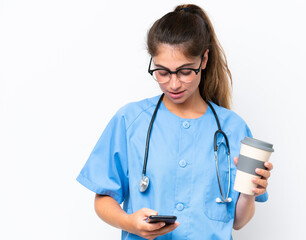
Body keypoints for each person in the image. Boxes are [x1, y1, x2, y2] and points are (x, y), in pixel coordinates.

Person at [76, 4, 274, 240]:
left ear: (204, 60)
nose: (173, 84)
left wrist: (251, 191)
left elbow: (238, 222)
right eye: (162, 72)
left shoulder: (233, 128)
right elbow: (103, 199)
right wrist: (129, 222)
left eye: (184, 71)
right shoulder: (130, 120)